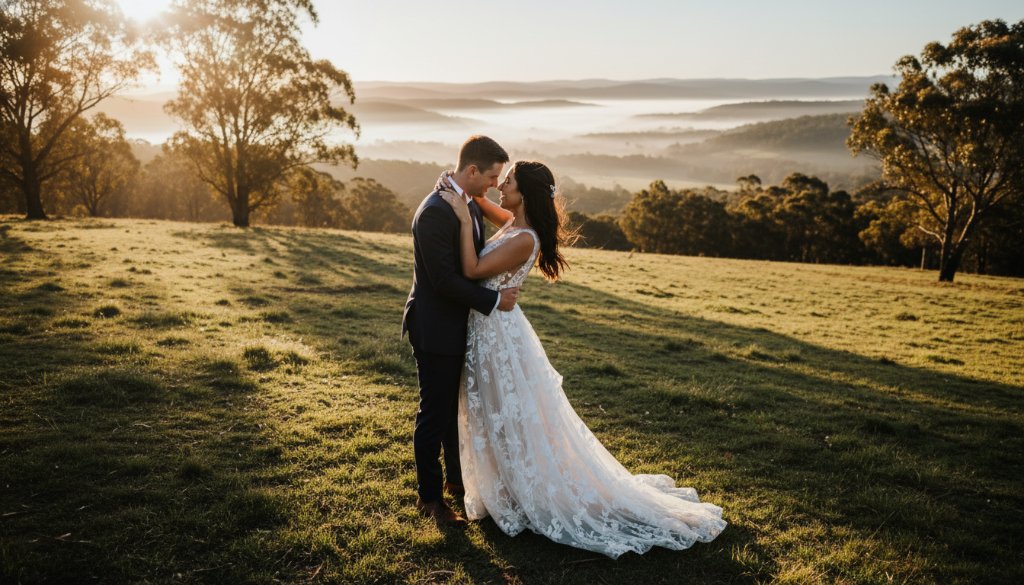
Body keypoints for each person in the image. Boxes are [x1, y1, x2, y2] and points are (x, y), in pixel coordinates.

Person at [436, 160, 727, 558]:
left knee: (509, 413)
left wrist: (457, 212)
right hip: (491, 328)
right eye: (500, 182)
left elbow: (471, 269)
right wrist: (468, 193)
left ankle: (526, 491)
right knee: (497, 413)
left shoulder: (525, 238)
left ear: (525, 193)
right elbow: (493, 208)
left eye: (508, 183)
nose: (500, 187)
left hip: (498, 337)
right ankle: (502, 486)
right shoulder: (514, 220)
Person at [402, 135, 521, 527]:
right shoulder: (437, 210)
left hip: (456, 327)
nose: (493, 185)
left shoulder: (465, 202)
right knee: (434, 413)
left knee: (456, 412)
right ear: (472, 171)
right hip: (434, 327)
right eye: (490, 177)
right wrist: (493, 301)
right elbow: (443, 281)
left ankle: (456, 480)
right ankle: (430, 498)